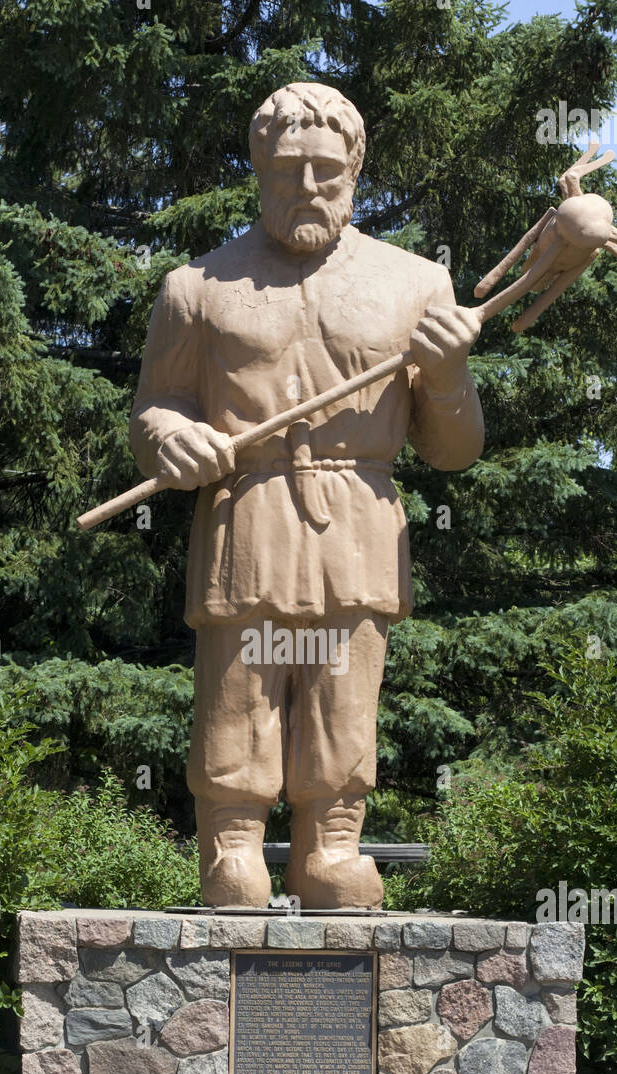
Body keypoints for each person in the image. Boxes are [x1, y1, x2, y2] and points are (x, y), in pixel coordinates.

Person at [129, 82, 484, 909]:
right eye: (289, 169)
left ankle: (332, 845)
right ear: (259, 168)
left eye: (327, 168)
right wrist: (173, 437)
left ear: (356, 166)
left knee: (341, 686)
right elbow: (155, 407)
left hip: (357, 516)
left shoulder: (418, 283)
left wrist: (451, 374)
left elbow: (453, 451)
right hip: (246, 510)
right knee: (239, 685)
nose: (309, 186)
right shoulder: (199, 286)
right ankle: (233, 849)